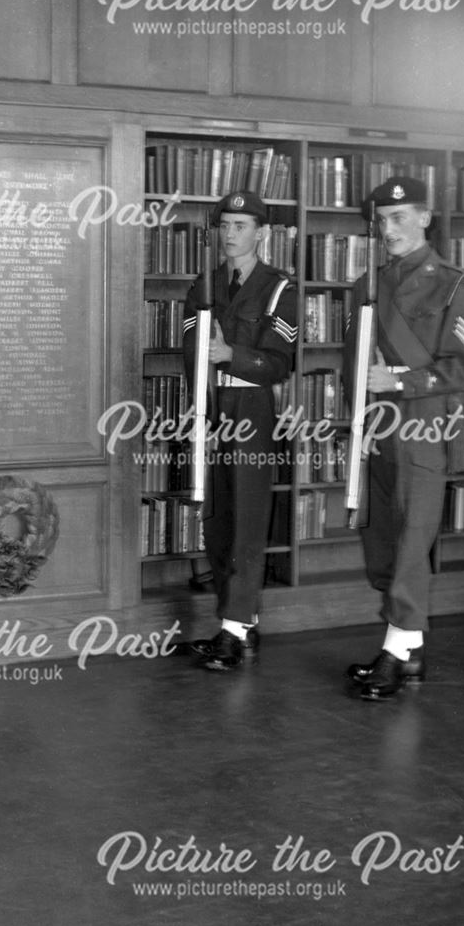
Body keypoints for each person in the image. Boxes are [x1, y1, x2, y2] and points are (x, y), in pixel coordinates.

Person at [343, 176, 464, 700]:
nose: (389, 229)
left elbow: (461, 369)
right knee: (380, 540)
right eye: (382, 220)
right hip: (376, 430)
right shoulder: (368, 286)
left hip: (422, 428)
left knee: (409, 544)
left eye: (400, 218)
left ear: (425, 218)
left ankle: (395, 652)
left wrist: (398, 380)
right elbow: (351, 363)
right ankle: (409, 647)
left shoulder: (453, 284)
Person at [182, 190, 298, 671]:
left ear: (262, 233)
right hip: (211, 406)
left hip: (250, 406)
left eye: (241, 226)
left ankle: (234, 628)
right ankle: (238, 622)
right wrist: (200, 410)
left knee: (248, 517)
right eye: (225, 225)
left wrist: (232, 356)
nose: (231, 235)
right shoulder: (204, 285)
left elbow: (279, 364)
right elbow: (190, 353)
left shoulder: (278, 289)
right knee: (218, 518)